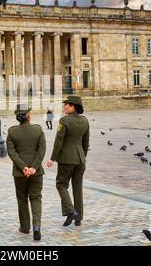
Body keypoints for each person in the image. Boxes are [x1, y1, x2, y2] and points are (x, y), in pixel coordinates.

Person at [47, 95, 90, 227]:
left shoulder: (64, 121)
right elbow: (85, 142)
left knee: (61, 184)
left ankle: (70, 211)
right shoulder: (85, 121)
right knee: (78, 188)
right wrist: (82, 156)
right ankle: (79, 218)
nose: (64, 107)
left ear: (73, 107)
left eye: (66, 105)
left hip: (66, 159)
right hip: (80, 159)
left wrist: (52, 158)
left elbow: (59, 141)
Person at [6, 104, 46, 241]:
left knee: (22, 198)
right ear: (28, 116)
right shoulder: (38, 130)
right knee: (36, 198)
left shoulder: (12, 132)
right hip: (37, 171)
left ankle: (25, 226)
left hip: (19, 172)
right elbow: (41, 151)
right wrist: (34, 167)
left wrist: (23, 167)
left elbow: (12, 153)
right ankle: (37, 227)